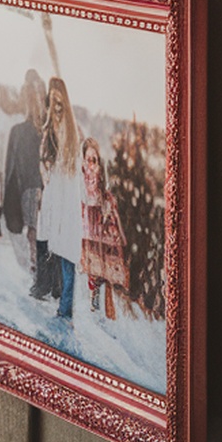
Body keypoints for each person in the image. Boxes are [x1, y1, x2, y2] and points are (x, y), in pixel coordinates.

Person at [31, 77, 83, 322]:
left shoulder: (74, 134)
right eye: (53, 103)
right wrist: (47, 169)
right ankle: (53, 293)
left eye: (60, 103)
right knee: (51, 244)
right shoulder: (48, 131)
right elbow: (43, 163)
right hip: (54, 194)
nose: (57, 108)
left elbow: (78, 172)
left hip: (68, 198)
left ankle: (65, 307)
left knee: (67, 253)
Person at [1, 70, 47, 276]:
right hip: (27, 190)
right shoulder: (18, 132)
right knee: (32, 232)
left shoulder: (49, 133)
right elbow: (11, 170)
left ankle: (39, 271)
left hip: (42, 191)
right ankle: (34, 269)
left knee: (38, 233)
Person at [79, 137, 129, 320]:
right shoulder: (81, 175)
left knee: (103, 257)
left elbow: (105, 191)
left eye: (95, 160)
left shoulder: (100, 175)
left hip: (99, 217)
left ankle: (105, 297)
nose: (91, 164)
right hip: (87, 218)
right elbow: (81, 194)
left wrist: (107, 207)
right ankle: (93, 295)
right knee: (91, 258)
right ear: (83, 159)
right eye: (88, 159)